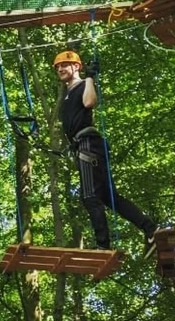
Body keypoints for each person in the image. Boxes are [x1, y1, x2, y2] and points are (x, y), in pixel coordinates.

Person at [53, 50, 157, 258]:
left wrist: (90, 78)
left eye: (65, 65)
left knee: (89, 196)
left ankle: (103, 246)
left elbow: (89, 102)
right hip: (84, 146)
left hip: (88, 145)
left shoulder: (83, 84)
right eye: (58, 67)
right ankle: (150, 229)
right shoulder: (67, 94)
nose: (61, 69)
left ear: (76, 66)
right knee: (110, 197)